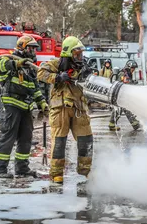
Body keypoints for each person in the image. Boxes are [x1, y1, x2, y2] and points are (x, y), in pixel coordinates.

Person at [37, 36, 93, 184]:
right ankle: (56, 174)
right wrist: (58, 77)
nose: (80, 57)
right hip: (60, 109)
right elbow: (41, 74)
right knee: (59, 142)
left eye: (81, 54)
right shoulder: (56, 64)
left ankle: (85, 172)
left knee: (86, 140)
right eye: (76, 54)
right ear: (68, 54)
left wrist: (89, 74)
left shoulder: (84, 67)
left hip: (79, 109)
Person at [0, 35, 49, 178]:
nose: (33, 52)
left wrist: (42, 102)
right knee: (8, 136)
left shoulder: (30, 67)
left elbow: (34, 87)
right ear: (22, 47)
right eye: (31, 48)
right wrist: (16, 64)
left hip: (26, 106)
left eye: (35, 49)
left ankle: (22, 169)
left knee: (26, 138)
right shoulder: (9, 59)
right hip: (10, 105)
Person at [109, 60, 140, 131]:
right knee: (118, 110)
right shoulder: (123, 73)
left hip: (122, 95)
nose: (133, 70)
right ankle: (112, 125)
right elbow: (122, 84)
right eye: (132, 68)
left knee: (125, 109)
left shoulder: (128, 73)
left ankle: (134, 124)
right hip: (119, 95)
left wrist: (132, 83)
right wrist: (131, 83)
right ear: (129, 67)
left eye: (134, 68)